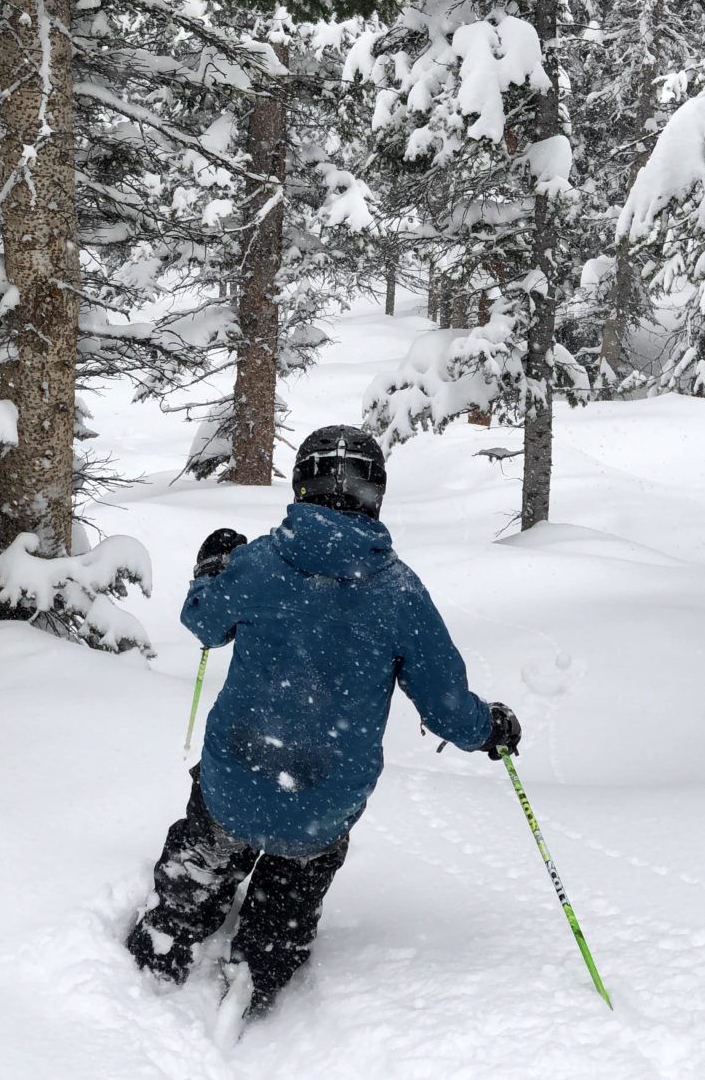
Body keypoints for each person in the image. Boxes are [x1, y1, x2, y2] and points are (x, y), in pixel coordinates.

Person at [126, 424, 522, 1021]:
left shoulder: (260, 563)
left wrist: (212, 569)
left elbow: (203, 622)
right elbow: (446, 709)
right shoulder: (399, 594)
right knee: (292, 883)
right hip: (323, 800)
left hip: (234, 777)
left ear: (301, 485)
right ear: (376, 494)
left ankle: (169, 938)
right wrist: (488, 728)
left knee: (204, 855)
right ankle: (261, 967)